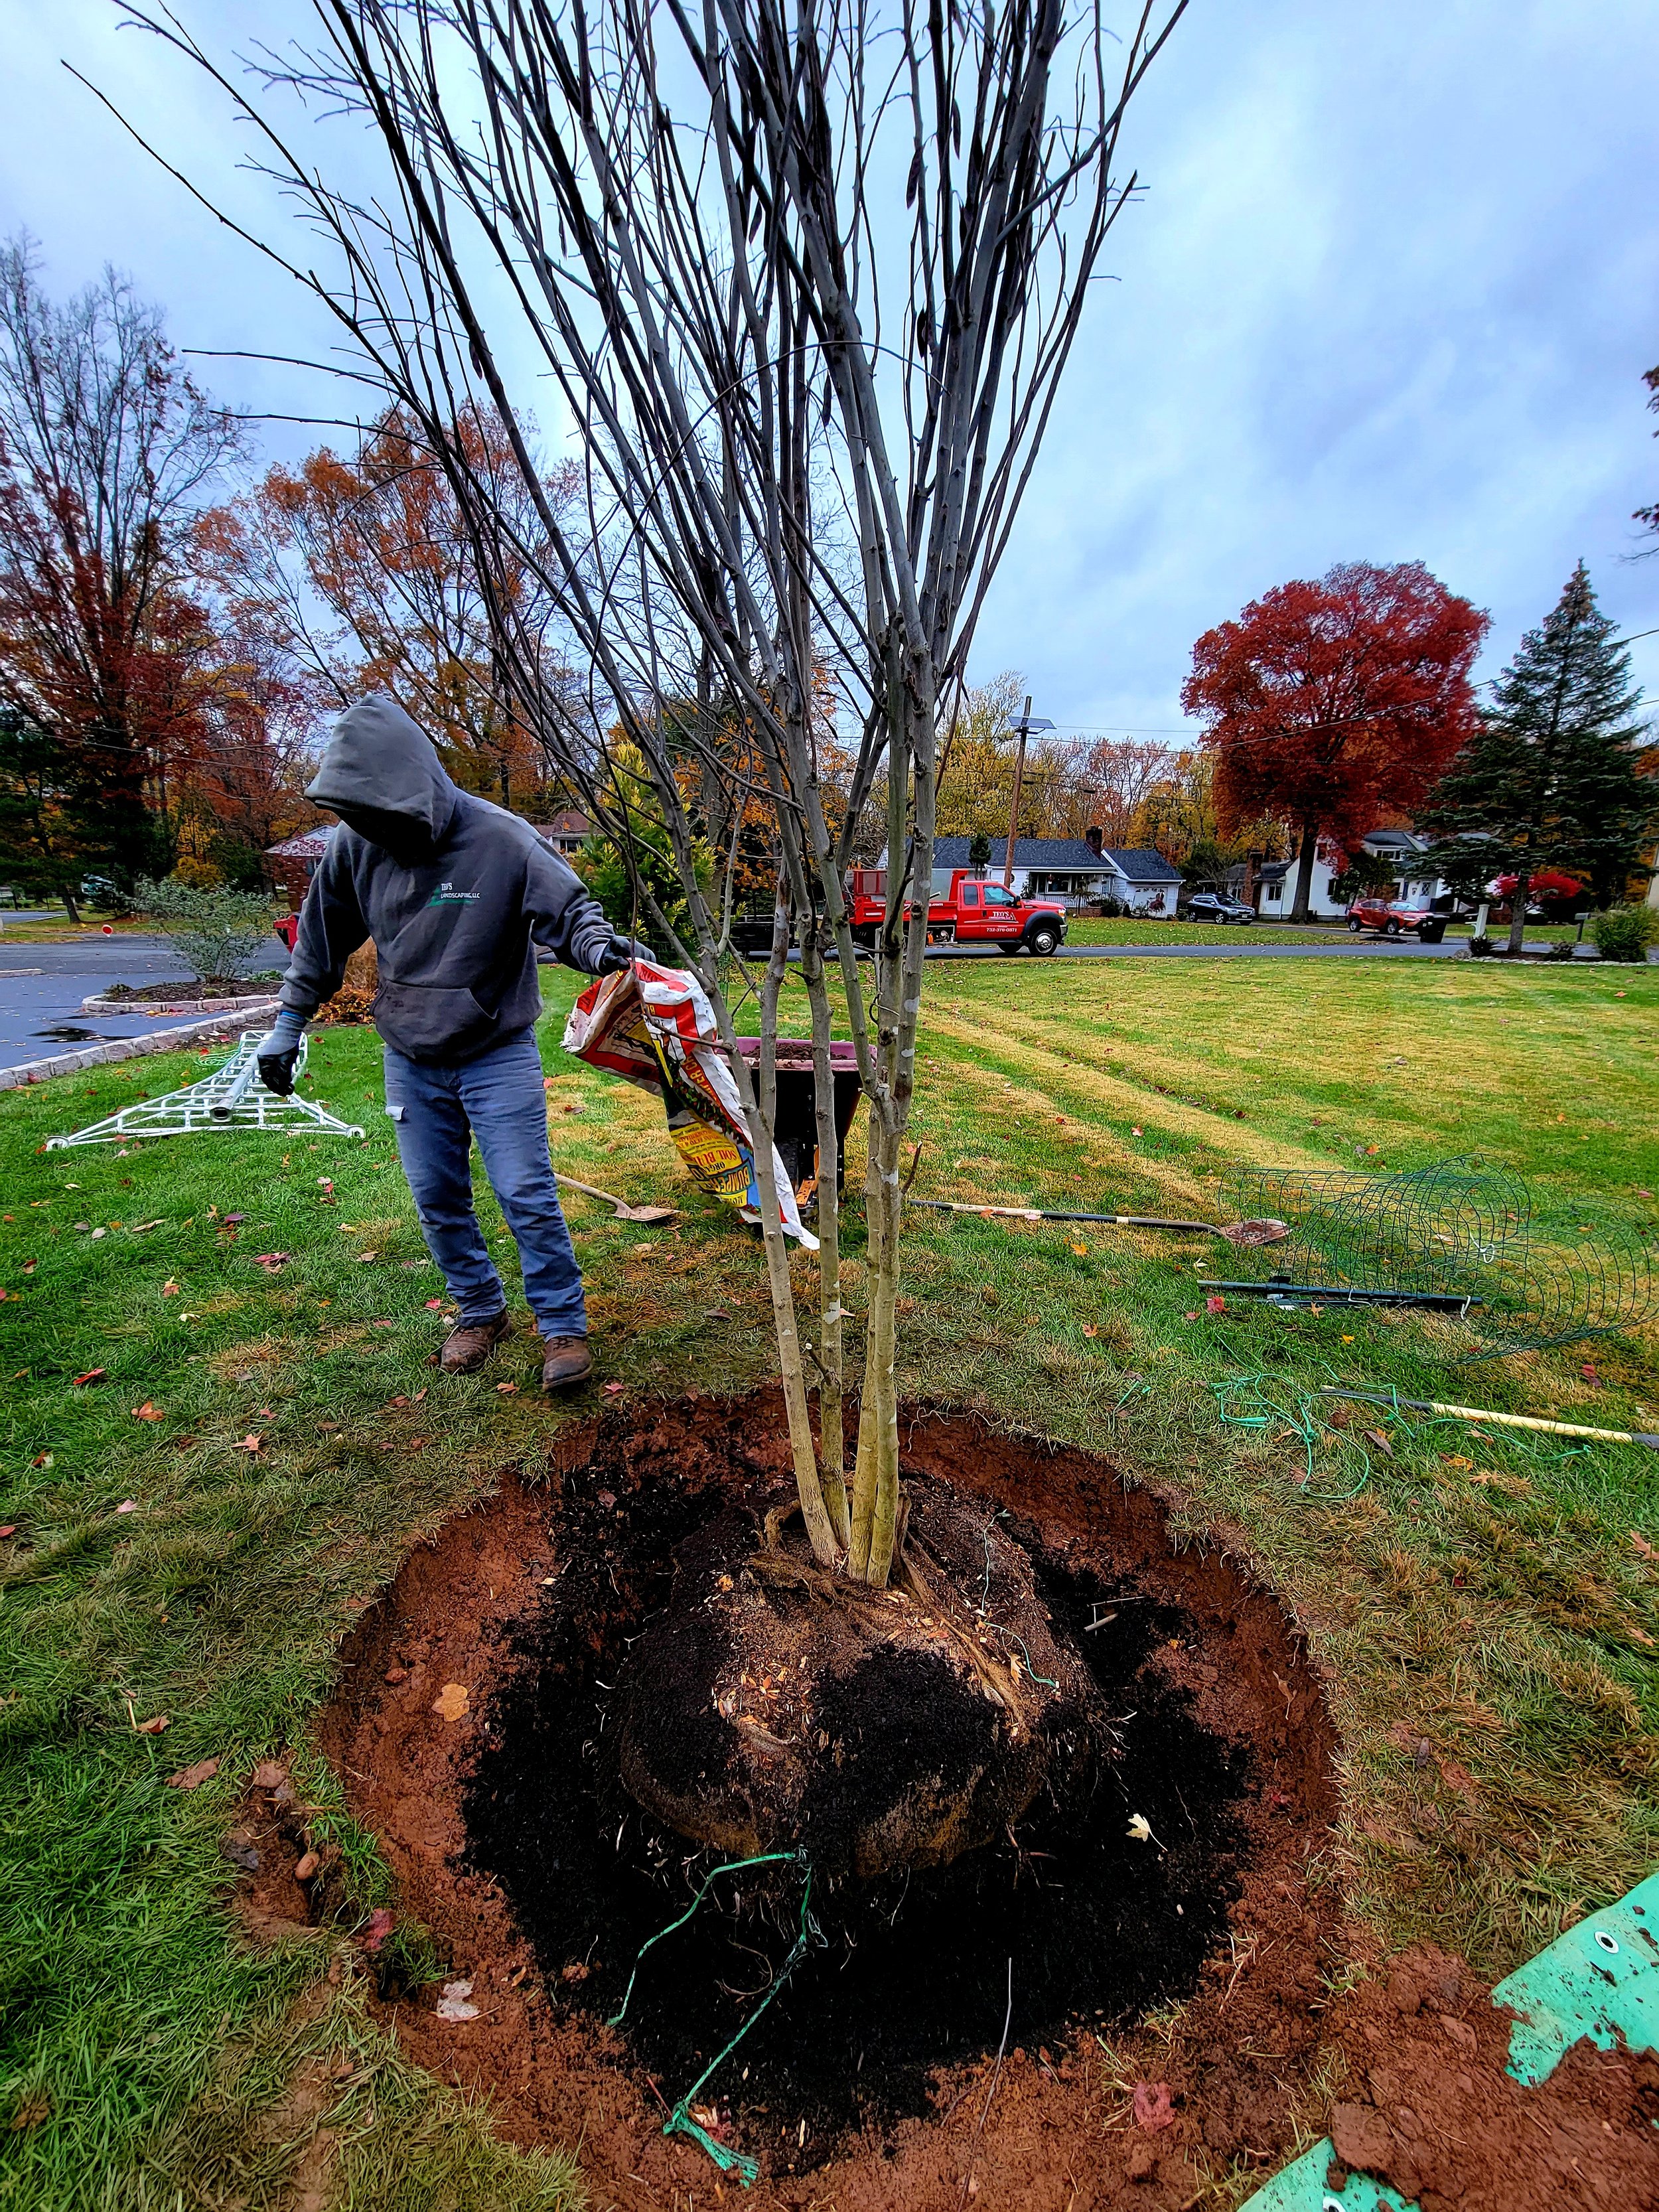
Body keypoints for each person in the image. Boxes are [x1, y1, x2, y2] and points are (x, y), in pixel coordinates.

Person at [257, 695, 638, 1390]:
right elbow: (318, 942)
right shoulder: (354, 846)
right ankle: (479, 1311)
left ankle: (561, 1325)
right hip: (409, 1054)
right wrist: (287, 1027)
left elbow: (571, 914)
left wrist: (598, 949)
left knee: (524, 1191)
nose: (370, 828)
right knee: (436, 1195)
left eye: (378, 814)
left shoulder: (502, 838)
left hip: (495, 1050)